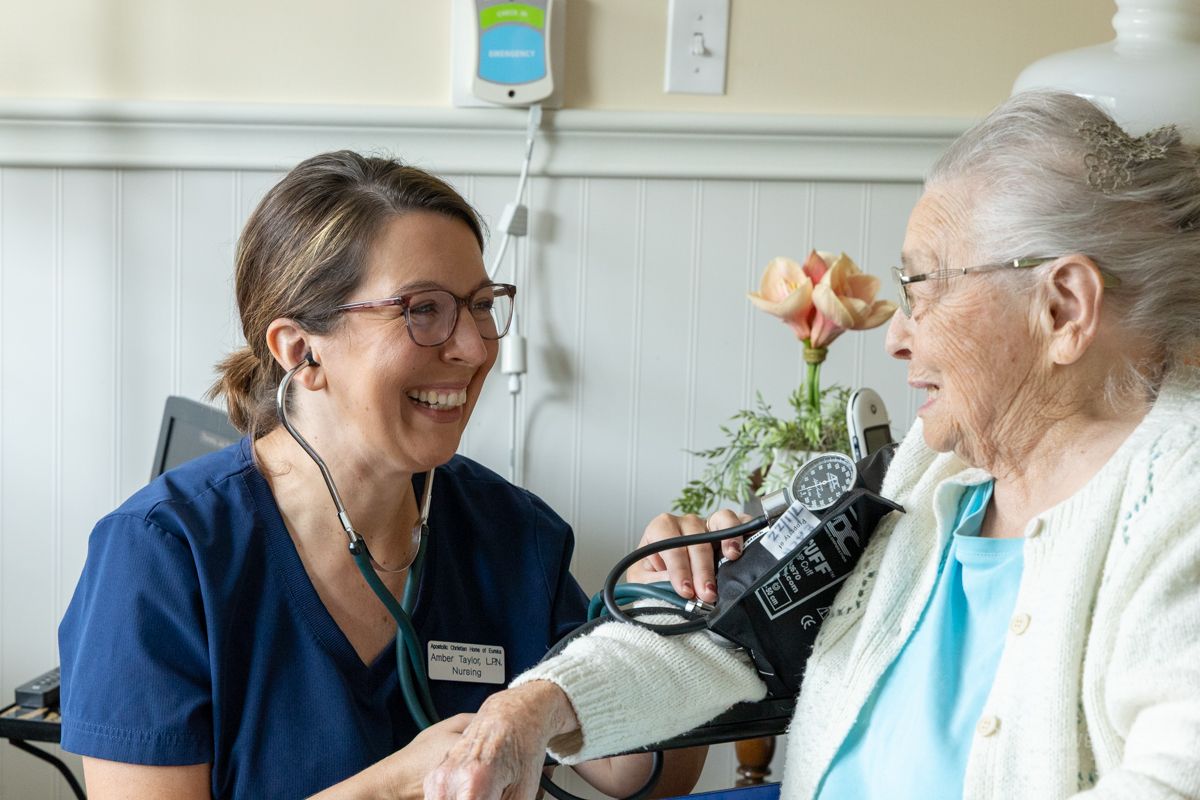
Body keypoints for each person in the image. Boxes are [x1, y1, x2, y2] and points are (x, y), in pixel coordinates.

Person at [424, 90, 1200, 800]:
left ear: (1063, 308)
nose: (896, 337)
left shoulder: (1178, 504)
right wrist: (528, 710)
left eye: (923, 289)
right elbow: (720, 639)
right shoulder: (925, 477)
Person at [57, 151, 705, 799]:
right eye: (423, 309)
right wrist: (393, 787)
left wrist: (664, 616)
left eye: (481, 305)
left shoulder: (513, 532)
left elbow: (643, 777)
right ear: (301, 351)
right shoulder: (160, 555)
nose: (474, 347)